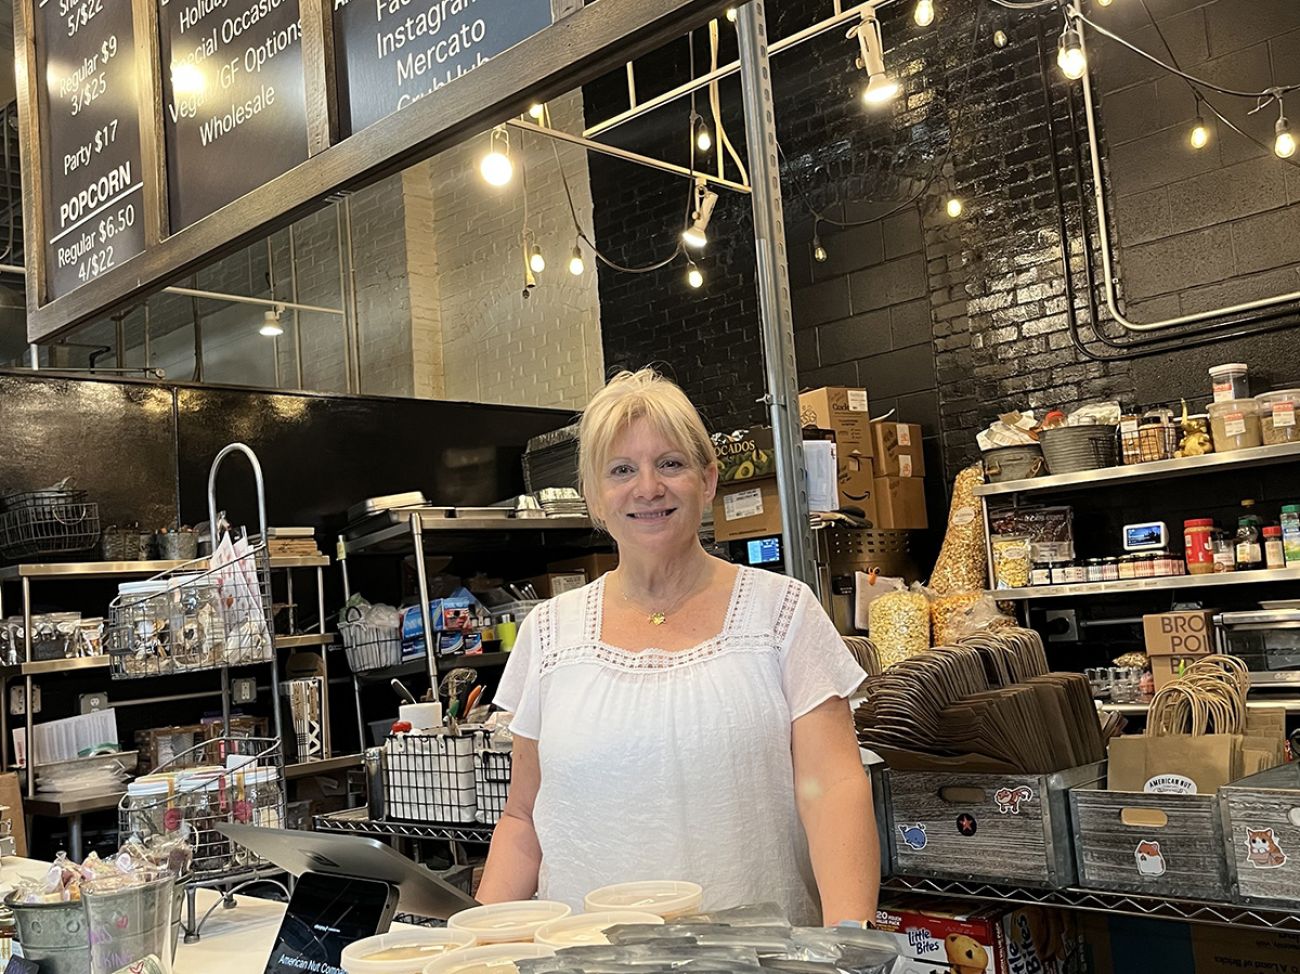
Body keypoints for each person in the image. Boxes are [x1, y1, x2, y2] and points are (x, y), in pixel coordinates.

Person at [477, 368, 880, 925]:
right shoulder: (549, 632)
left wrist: (848, 942)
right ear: (594, 495)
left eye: (670, 463)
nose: (648, 488)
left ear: (708, 480)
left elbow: (833, 789)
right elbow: (523, 820)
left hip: (755, 961)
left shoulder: (780, 613)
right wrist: (474, 942)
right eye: (622, 470)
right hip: (586, 961)